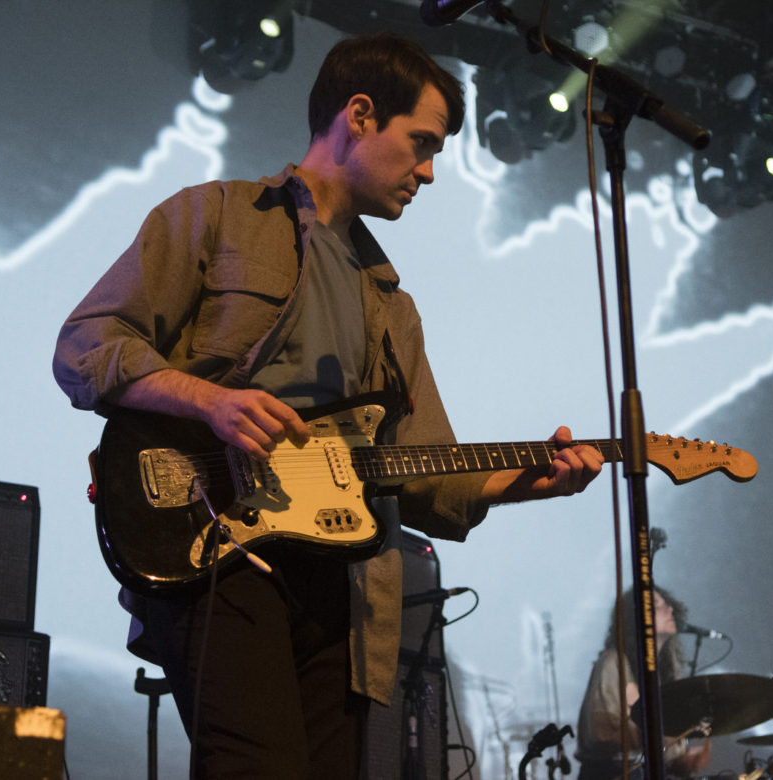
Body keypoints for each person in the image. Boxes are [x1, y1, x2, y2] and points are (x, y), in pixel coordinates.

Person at [52, 33, 604, 779]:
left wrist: (527, 482)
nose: (431, 172)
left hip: (344, 586)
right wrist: (211, 402)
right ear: (360, 115)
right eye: (422, 144)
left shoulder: (392, 305)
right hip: (214, 541)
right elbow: (87, 344)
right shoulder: (214, 217)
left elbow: (428, 472)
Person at [576, 588, 714, 780]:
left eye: (666, 603)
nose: (669, 609)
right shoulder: (613, 662)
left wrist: (681, 761)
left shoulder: (659, 673)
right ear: (636, 619)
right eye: (657, 605)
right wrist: (668, 740)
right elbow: (603, 733)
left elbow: (651, 750)